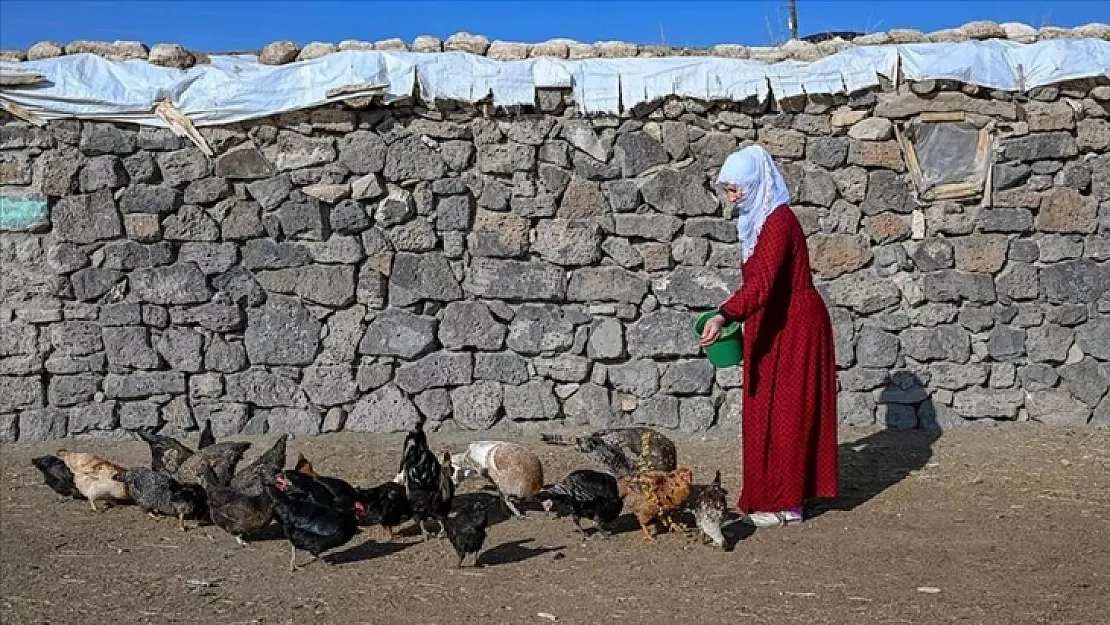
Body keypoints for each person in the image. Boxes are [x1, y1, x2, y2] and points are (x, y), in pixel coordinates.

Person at [699, 144, 838, 528]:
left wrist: (725, 315)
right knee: (766, 411)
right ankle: (766, 493)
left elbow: (761, 284)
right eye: (727, 189)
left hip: (794, 325)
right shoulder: (757, 223)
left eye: (737, 188)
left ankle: (787, 502)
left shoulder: (778, 222)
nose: (731, 197)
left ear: (757, 183)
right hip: (771, 322)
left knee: (788, 413)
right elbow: (759, 287)